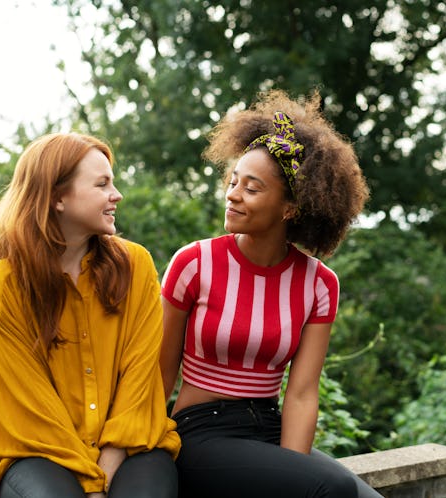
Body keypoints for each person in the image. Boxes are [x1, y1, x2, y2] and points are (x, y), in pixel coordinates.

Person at [160, 89, 382, 498]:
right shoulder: (194, 264)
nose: (233, 193)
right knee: (331, 489)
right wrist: (142, 457)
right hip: (200, 432)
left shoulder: (319, 284)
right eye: (233, 181)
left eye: (252, 187)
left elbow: (300, 392)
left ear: (289, 208)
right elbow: (158, 372)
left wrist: (293, 471)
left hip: (268, 429)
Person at [0, 132, 181, 498]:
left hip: (130, 448)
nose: (116, 195)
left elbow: (140, 378)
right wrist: (89, 485)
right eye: (102, 184)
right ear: (56, 197)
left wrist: (104, 471)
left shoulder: (136, 266)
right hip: (39, 455)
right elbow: (31, 408)